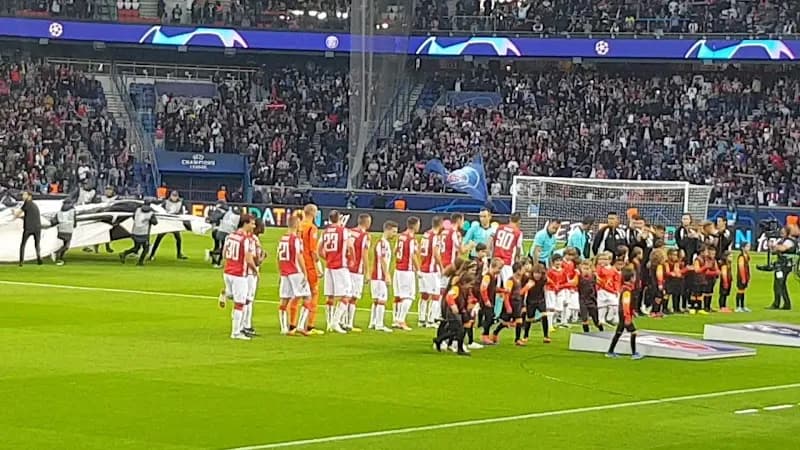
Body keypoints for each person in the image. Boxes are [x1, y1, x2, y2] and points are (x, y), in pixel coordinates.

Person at [220, 215, 257, 340]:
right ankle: (236, 332)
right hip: (239, 274)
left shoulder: (230, 236)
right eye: (252, 223)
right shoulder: (245, 239)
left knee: (236, 298)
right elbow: (248, 258)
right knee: (240, 303)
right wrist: (255, 270)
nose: (253, 226)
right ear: (245, 223)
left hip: (228, 272)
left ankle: (226, 293)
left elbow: (224, 253)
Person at [319, 210, 354, 334]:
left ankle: (329, 323)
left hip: (329, 266)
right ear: (339, 218)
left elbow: (319, 249)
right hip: (340, 266)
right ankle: (335, 322)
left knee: (330, 296)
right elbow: (350, 246)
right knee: (347, 294)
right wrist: (352, 259)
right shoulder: (343, 231)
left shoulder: (325, 232)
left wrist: (327, 258)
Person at [278, 215, 310, 336]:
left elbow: (278, 257)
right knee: (307, 297)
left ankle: (284, 328)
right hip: (295, 271)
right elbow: (299, 256)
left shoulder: (282, 239)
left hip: (285, 272)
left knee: (284, 300)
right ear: (296, 224)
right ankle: (301, 326)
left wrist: (280, 271)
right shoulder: (296, 239)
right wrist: (305, 273)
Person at [433, 271, 475, 356]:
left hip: (457, 312)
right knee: (460, 330)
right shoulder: (456, 288)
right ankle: (459, 349)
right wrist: (453, 305)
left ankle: (439, 340)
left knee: (455, 331)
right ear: (465, 282)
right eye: (470, 284)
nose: (471, 286)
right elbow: (449, 296)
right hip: (452, 313)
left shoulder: (463, 289)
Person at [605, 266, 643, 360]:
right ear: (631, 278)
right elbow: (626, 304)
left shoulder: (626, 288)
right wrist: (628, 317)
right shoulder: (627, 291)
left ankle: (610, 351)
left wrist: (632, 311)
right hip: (624, 314)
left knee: (619, 332)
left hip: (622, 313)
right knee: (633, 332)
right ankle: (634, 353)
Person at [296, 204, 322, 334]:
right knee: (313, 293)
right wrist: (318, 267)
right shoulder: (312, 228)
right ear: (312, 213)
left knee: (297, 295)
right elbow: (313, 251)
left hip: (297, 264)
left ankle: (292, 324)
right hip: (308, 265)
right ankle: (309, 325)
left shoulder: (298, 226)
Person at [368, 221, 398, 332]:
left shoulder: (383, 243)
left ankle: (373, 322)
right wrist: (387, 275)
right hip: (379, 276)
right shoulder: (382, 243)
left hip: (376, 276)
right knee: (382, 300)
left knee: (376, 300)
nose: (395, 234)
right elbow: (382, 260)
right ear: (387, 230)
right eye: (393, 231)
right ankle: (379, 324)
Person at [392, 216, 420, 331]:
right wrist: (418, 270)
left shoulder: (401, 236)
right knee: (409, 296)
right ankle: (401, 320)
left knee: (398, 295)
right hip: (407, 270)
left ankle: (395, 319)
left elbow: (395, 251)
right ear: (415, 225)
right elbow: (413, 255)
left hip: (398, 269)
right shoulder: (411, 239)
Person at [346, 214, 371, 332]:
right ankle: (349, 323)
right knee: (353, 297)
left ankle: (342, 320)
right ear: (367, 223)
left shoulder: (350, 232)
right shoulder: (365, 236)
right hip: (357, 269)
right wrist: (367, 272)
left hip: (346, 268)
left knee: (346, 295)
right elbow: (364, 254)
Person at [149, 190, 189, 261]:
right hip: (166, 223)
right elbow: (160, 209)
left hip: (174, 223)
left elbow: (182, 212)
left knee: (178, 239)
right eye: (173, 196)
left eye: (175, 196)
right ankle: (152, 254)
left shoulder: (180, 203)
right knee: (158, 238)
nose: (174, 198)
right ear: (170, 196)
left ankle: (179, 254)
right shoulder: (166, 202)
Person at [418, 216, 444, 328]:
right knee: (436, 295)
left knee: (424, 295)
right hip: (431, 269)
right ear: (440, 224)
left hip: (423, 267)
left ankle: (421, 319)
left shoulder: (426, 234)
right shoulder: (435, 236)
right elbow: (436, 253)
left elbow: (420, 250)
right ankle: (431, 320)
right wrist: (441, 267)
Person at [242, 219, 265, 337]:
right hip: (250, 272)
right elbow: (254, 259)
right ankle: (246, 326)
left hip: (245, 272)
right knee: (248, 300)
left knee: (246, 299)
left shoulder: (246, 238)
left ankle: (245, 325)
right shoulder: (253, 239)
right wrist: (261, 259)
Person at [119, 202, 158, 266]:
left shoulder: (137, 210)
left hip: (135, 232)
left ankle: (124, 254)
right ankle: (140, 262)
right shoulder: (151, 213)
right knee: (146, 248)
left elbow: (133, 217)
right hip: (144, 233)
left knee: (136, 248)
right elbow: (155, 222)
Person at [768, 226, 796, 310]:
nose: (781, 233)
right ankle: (786, 304)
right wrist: (772, 247)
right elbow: (774, 251)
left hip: (785, 266)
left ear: (787, 233)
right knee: (781, 285)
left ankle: (776, 304)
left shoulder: (789, 241)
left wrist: (774, 245)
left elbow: (782, 248)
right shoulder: (782, 241)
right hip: (781, 265)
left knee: (778, 284)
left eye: (783, 232)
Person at [523, 262, 550, 343]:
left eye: (539, 273)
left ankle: (546, 336)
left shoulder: (544, 279)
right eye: (535, 273)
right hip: (530, 301)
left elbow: (549, 284)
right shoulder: (528, 279)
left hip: (541, 300)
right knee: (529, 318)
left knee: (544, 316)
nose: (537, 275)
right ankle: (525, 336)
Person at [479, 258, 504, 345]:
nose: (500, 270)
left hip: (491, 300)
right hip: (486, 301)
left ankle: (485, 334)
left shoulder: (493, 277)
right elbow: (483, 288)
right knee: (489, 318)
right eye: (499, 268)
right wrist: (486, 300)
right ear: (493, 266)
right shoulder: (487, 276)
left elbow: (492, 288)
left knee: (491, 317)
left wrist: (503, 290)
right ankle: (484, 336)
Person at [15, 191, 42, 266]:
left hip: (28, 228)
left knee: (23, 244)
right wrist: (22, 217)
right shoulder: (34, 205)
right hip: (37, 227)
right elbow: (29, 215)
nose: (23, 196)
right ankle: (39, 258)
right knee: (37, 244)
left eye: (24, 195)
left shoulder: (27, 203)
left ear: (29, 196)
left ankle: (21, 261)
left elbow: (18, 213)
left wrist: (14, 213)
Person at [577, 260, 603, 333]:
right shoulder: (579, 277)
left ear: (591, 269)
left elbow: (601, 283)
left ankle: (601, 330)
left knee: (596, 320)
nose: (586, 271)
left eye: (587, 269)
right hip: (583, 300)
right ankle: (586, 333)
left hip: (592, 300)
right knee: (584, 319)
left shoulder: (594, 277)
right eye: (584, 269)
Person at [50, 199, 77, 266]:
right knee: (66, 246)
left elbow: (55, 221)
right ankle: (57, 253)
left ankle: (60, 258)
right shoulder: (72, 211)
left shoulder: (59, 212)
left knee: (63, 244)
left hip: (60, 229)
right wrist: (74, 225)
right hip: (68, 229)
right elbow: (74, 220)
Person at [595, 251, 619, 325]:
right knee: (602, 305)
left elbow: (616, 280)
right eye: (602, 259)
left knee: (614, 304)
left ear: (610, 260)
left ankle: (610, 317)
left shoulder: (613, 269)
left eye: (606, 259)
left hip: (611, 290)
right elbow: (597, 278)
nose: (603, 261)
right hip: (602, 289)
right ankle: (601, 319)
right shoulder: (599, 268)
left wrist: (616, 289)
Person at [545, 254, 568, 328]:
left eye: (560, 261)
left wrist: (561, 287)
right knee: (551, 307)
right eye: (556, 261)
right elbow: (547, 281)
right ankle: (549, 325)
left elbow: (565, 281)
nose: (558, 262)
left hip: (560, 290)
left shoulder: (563, 271)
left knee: (559, 308)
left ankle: (554, 320)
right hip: (551, 290)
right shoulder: (550, 271)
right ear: (553, 262)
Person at [665, 249, 686, 314]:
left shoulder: (676, 263)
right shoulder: (666, 263)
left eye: (676, 255)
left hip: (676, 280)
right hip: (668, 280)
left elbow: (677, 271)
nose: (675, 257)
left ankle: (676, 307)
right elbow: (667, 272)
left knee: (677, 293)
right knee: (667, 294)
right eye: (674, 255)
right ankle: (664, 308)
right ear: (669, 255)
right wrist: (672, 273)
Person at [735, 243, 751, 312]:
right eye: (747, 246)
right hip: (741, 277)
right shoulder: (741, 257)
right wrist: (743, 277)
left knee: (743, 291)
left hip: (746, 276)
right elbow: (741, 268)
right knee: (740, 291)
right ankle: (737, 306)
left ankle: (742, 306)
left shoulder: (746, 256)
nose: (748, 248)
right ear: (743, 248)